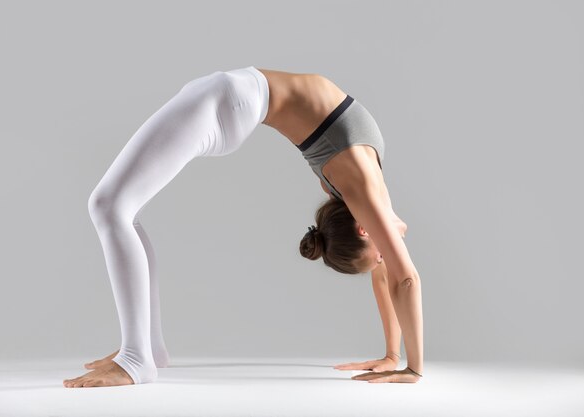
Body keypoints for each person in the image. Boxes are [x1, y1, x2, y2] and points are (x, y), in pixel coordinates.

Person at [63, 66, 423, 388]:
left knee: (110, 207)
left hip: (225, 102)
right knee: (116, 208)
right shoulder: (362, 185)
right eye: (378, 256)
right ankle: (144, 351)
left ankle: (139, 355)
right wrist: (411, 368)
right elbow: (403, 278)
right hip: (228, 104)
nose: (385, 259)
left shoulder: (363, 188)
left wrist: (395, 356)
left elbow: (391, 275)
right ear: (365, 230)